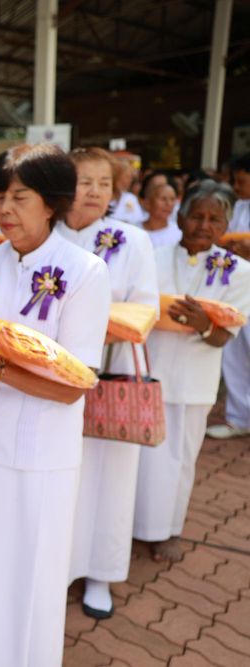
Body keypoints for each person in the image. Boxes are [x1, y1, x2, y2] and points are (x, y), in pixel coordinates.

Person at [0, 144, 110, 666]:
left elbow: (75, 385)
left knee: (24, 568)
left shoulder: (83, 271)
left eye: (21, 196)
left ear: (53, 202)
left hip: (38, 450)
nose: (4, 209)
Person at [58, 147, 159, 619]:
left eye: (104, 183)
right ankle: (59, 566)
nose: (96, 192)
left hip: (112, 374)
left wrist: (92, 322)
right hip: (55, 375)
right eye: (84, 182)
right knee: (65, 477)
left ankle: (101, 572)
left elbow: (145, 309)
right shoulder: (48, 237)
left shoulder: (131, 240)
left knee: (110, 477)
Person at [133, 181, 250, 562]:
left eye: (214, 219)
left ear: (225, 224)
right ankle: (135, 525)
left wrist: (202, 324)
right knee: (141, 458)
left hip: (194, 382)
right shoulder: (153, 256)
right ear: (180, 216)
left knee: (180, 461)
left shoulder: (239, 271)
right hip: (147, 373)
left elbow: (222, 338)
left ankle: (170, 530)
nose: (204, 225)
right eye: (196, 215)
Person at [210, 153, 250, 439]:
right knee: (234, 352)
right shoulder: (237, 207)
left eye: (242, 181)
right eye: (235, 181)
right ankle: (238, 417)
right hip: (234, 286)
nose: (237, 187)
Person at [142, 181, 182, 248]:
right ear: (147, 203)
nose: (168, 204)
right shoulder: (134, 230)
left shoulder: (179, 233)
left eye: (172, 199)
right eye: (163, 199)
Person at [109, 158, 145, 226]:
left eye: (131, 177)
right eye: (127, 176)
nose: (130, 180)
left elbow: (138, 221)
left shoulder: (130, 198)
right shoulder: (103, 197)